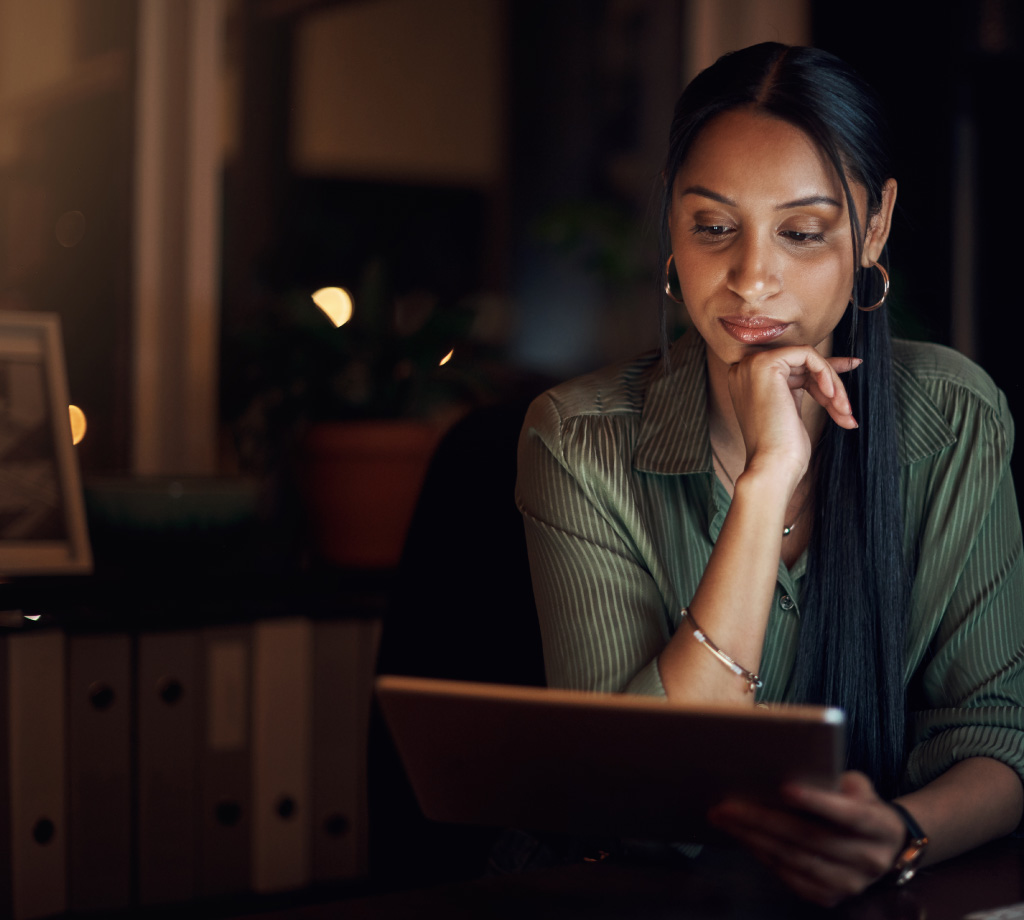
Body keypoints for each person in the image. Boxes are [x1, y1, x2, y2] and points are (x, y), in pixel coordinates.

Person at [515, 42, 1024, 907]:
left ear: (874, 227)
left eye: (801, 231)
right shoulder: (576, 440)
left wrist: (899, 836)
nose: (752, 278)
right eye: (714, 227)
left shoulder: (954, 418)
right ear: (671, 230)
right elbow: (629, 795)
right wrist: (767, 476)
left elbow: (997, 733)